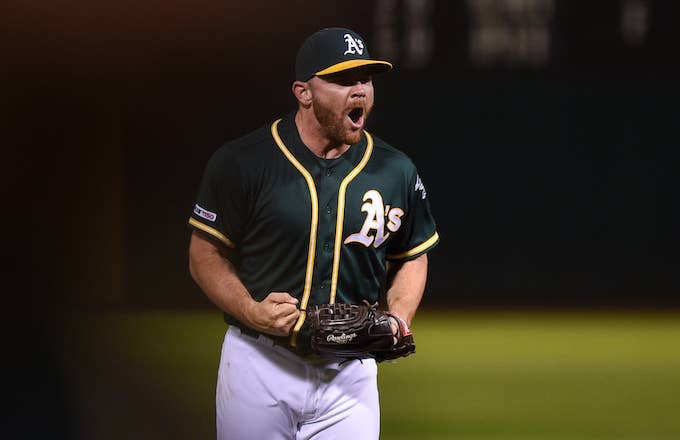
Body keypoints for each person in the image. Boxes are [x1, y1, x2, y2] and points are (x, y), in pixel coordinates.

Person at [188, 26, 439, 440]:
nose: (359, 90)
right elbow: (204, 254)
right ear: (304, 92)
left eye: (366, 79)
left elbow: (413, 253)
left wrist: (399, 319)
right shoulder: (243, 162)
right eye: (343, 80)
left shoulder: (396, 170)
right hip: (259, 362)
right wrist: (251, 310)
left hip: (350, 375)